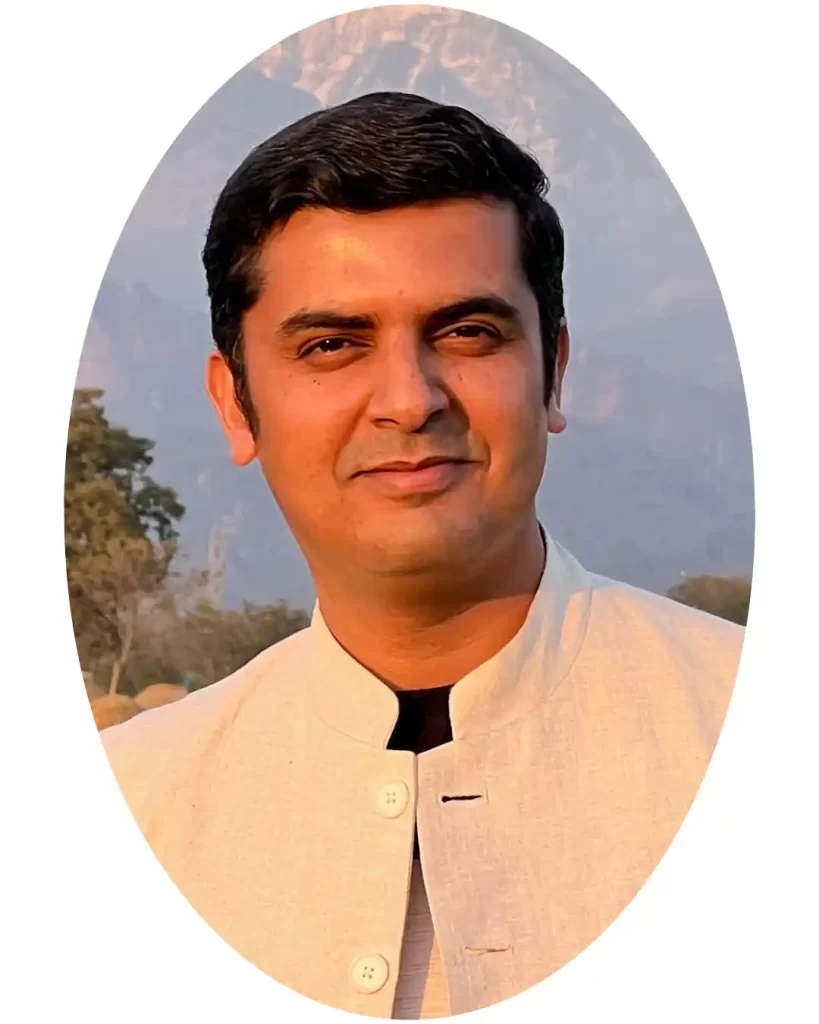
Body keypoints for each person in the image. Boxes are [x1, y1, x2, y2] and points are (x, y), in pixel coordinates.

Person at [101, 91, 743, 1019]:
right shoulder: (128, 810)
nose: (409, 399)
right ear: (235, 405)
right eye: (332, 344)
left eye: (466, 333)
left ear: (553, 373)